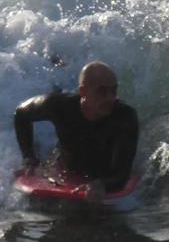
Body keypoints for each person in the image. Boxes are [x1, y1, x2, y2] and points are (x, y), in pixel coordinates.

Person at [14, 61, 139, 203]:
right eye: (102, 91)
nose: (110, 97)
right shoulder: (60, 106)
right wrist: (28, 157)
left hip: (103, 171)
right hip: (64, 166)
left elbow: (122, 174)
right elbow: (21, 114)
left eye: (113, 90)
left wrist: (103, 184)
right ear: (83, 92)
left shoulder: (125, 117)